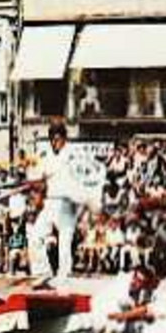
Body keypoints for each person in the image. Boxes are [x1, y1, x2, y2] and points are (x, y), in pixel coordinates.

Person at [34, 120, 94, 281]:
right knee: (36, 234)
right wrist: (38, 180)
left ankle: (63, 275)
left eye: (58, 138)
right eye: (52, 139)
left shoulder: (72, 154)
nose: (55, 142)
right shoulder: (47, 157)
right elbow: (39, 179)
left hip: (67, 203)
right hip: (51, 202)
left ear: (64, 138)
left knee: (64, 242)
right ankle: (44, 271)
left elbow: (83, 177)